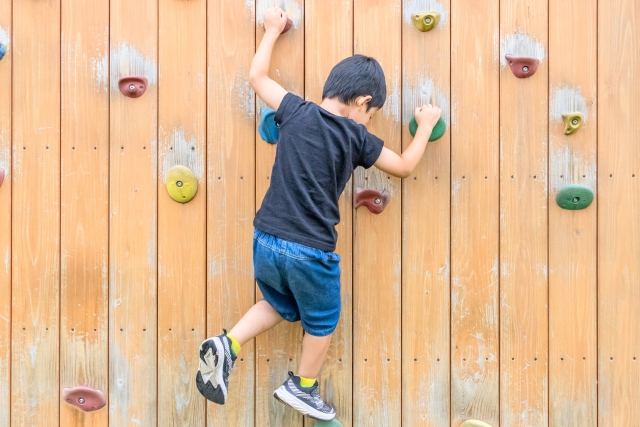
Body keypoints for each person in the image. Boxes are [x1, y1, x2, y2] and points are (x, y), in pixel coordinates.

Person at [196, 7, 442, 422]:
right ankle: (303, 387)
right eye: (372, 112)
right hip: (310, 250)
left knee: (279, 303)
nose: (369, 118)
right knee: (322, 319)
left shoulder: (295, 109)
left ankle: (228, 344)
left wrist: (273, 31)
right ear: (364, 102)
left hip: (266, 239)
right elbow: (402, 166)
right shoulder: (357, 135)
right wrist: (424, 125)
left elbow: (256, 77)